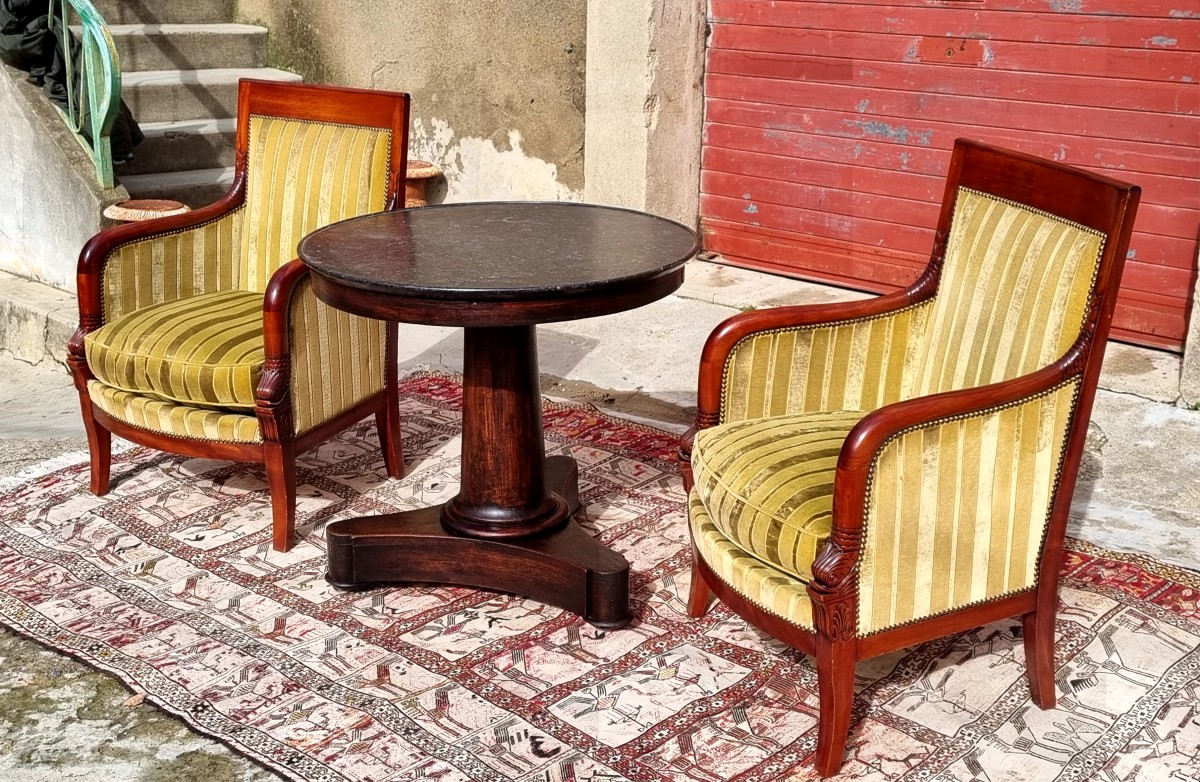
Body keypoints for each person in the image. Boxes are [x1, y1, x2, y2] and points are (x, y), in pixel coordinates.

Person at [1, 0, 142, 163]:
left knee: (73, 70)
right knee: (74, 70)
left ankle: (114, 138)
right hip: (21, 36)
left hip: (27, 33)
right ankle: (115, 140)